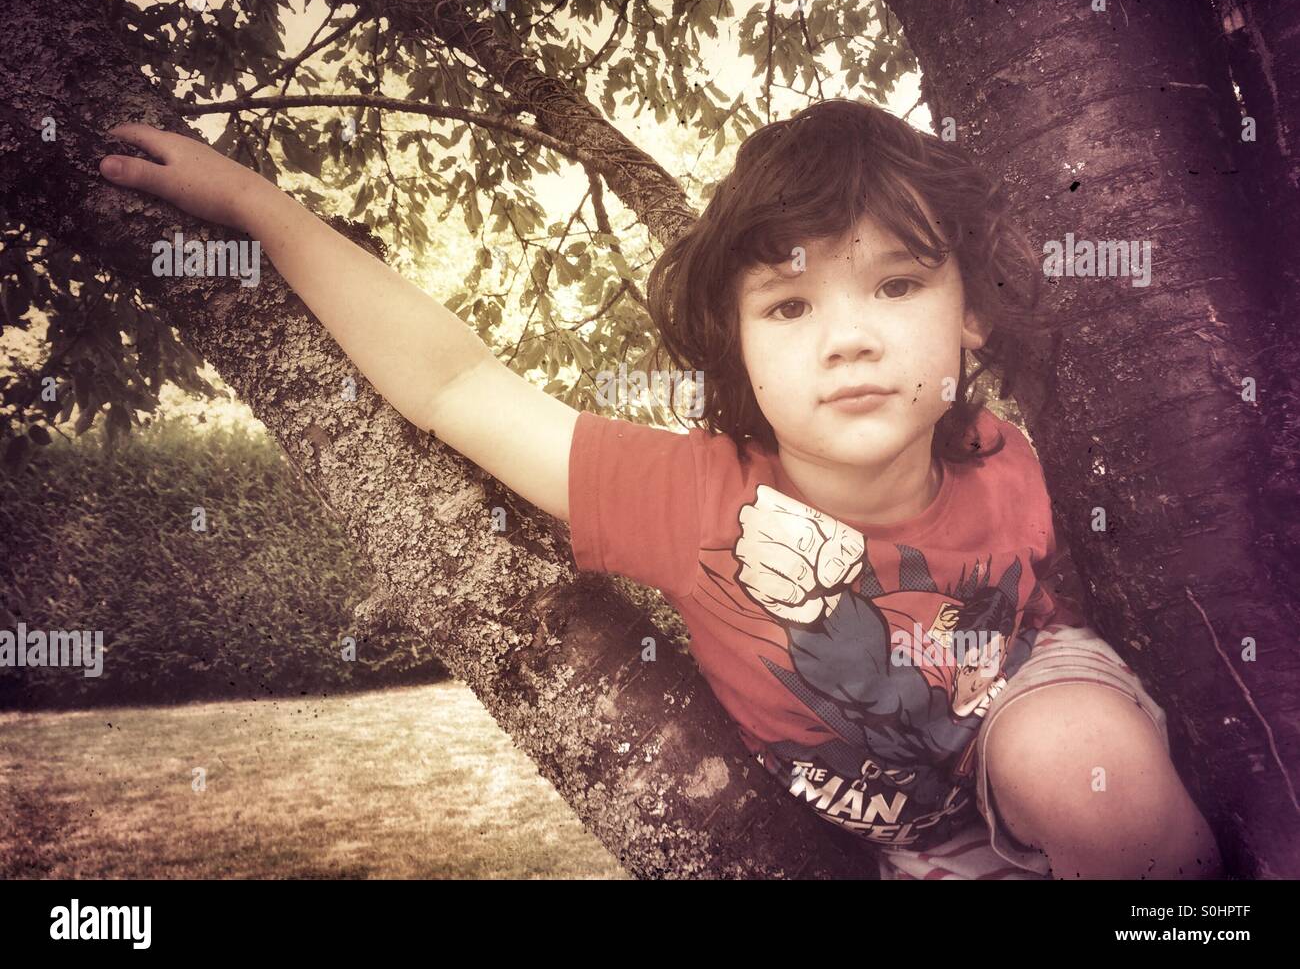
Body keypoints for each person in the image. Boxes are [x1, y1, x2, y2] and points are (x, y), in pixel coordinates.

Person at [98, 97, 1222, 879]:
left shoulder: (1012, 454)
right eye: (788, 305)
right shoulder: (689, 495)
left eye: (895, 283)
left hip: (1051, 732)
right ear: (734, 352)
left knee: (1086, 781)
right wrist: (260, 206)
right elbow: (454, 382)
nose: (847, 339)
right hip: (924, 847)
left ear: (968, 313)